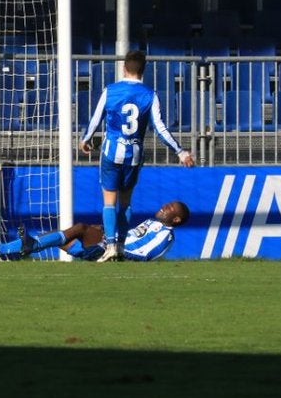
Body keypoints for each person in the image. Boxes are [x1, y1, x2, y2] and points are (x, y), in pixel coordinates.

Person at [80, 49, 195, 261]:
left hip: (111, 153)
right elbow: (160, 128)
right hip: (133, 156)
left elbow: (96, 118)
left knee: (109, 202)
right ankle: (122, 246)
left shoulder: (111, 90)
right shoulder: (150, 95)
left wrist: (86, 138)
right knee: (125, 204)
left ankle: (111, 247)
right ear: (143, 71)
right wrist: (180, 151)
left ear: (124, 67)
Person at [0, 199, 190, 262]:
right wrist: (107, 233)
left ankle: (12, 249)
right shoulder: (151, 222)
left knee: (79, 228)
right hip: (109, 245)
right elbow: (130, 236)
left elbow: (147, 254)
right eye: (168, 204)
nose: (165, 206)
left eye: (171, 208)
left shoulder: (166, 235)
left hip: (113, 253)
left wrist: (114, 249)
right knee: (61, 238)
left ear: (177, 219)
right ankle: (6, 251)